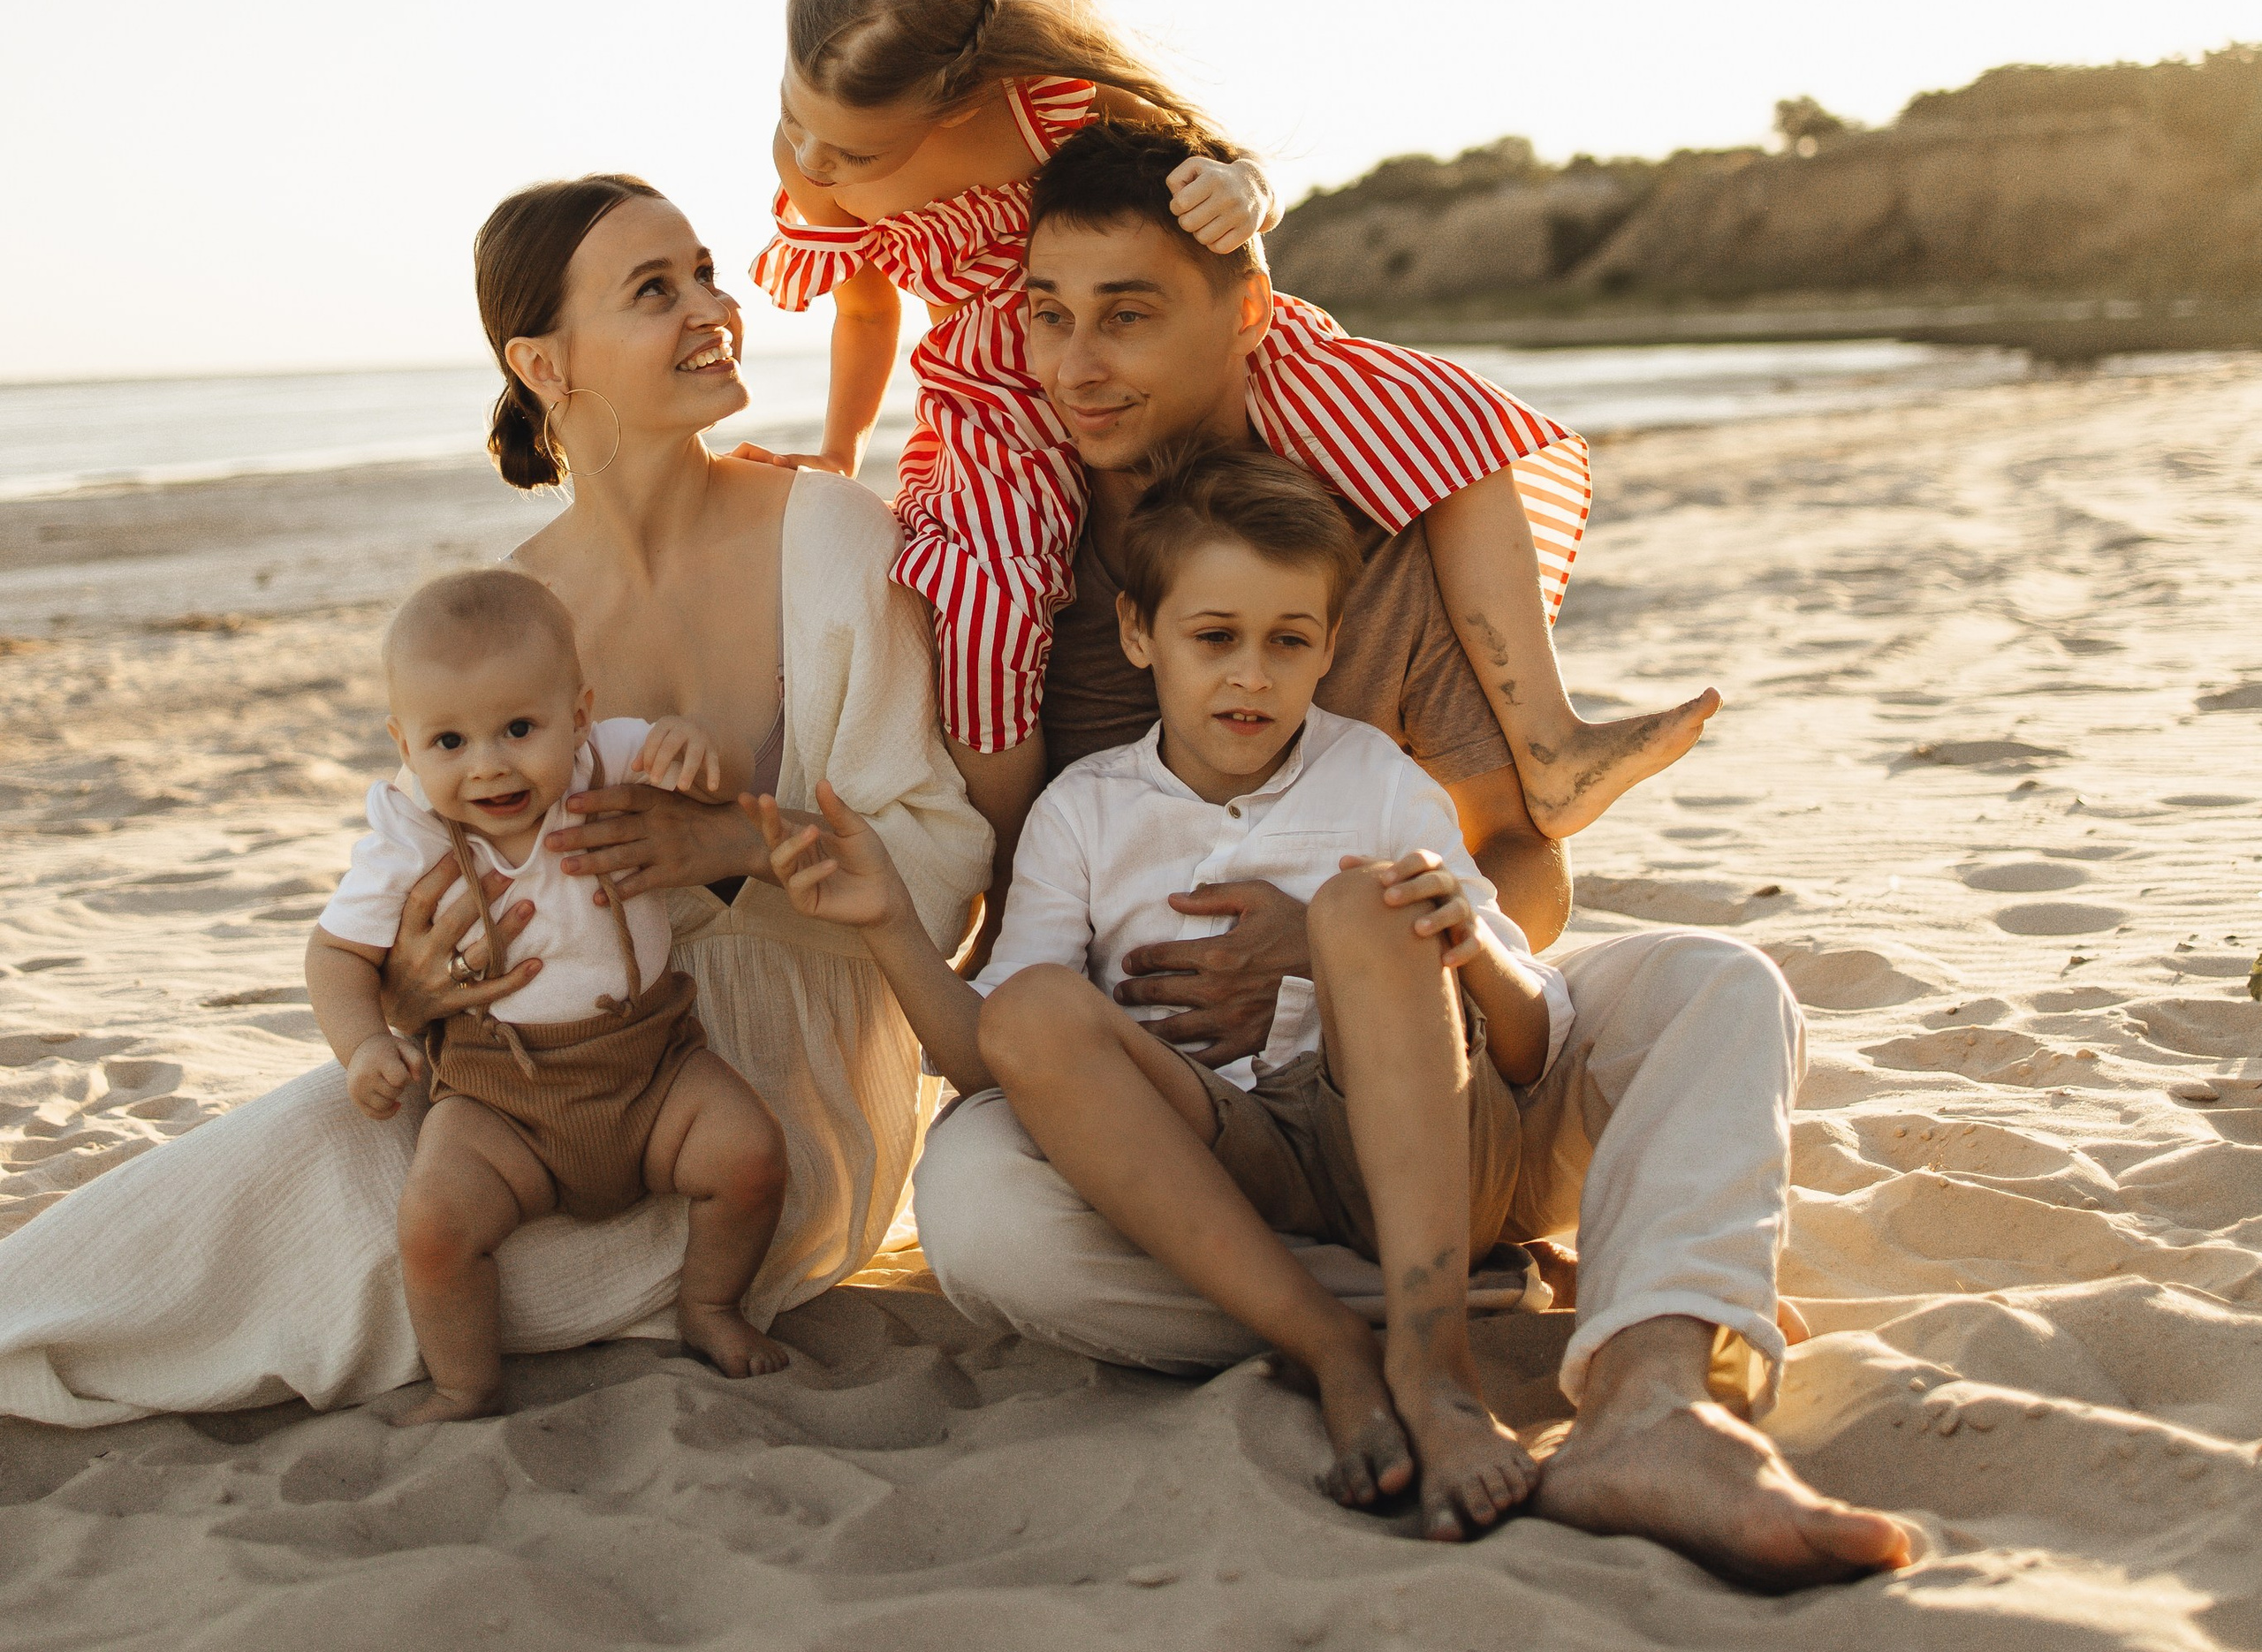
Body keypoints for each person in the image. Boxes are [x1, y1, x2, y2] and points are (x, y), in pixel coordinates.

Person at [911, 120, 1913, 1590]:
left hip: (1447, 1072)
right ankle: (1445, 1303)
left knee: (1720, 987)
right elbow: (1021, 963)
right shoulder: (1016, 575)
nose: (1077, 366)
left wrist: (1335, 936)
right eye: (1049, 320)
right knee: (978, 1217)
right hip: (1211, 1132)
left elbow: (1517, 871)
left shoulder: (1377, 541)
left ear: (1246, 316)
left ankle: (1651, 1399)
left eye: (1128, 315)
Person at [0, 175, 990, 1428]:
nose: (714, 308)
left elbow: (942, 877)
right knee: (290, 1161)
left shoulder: (836, 535)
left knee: (363, 1269)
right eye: (656, 290)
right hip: (519, 1069)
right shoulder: (511, 610)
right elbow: (429, 890)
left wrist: (731, 845)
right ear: (544, 363)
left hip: (770, 1100)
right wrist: (413, 988)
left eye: (704, 272)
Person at [750, 0, 1716, 881]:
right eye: (793, 114)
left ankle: (1549, 739)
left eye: (855, 151)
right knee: (989, 605)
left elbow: (1218, 165)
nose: (811, 160)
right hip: (994, 395)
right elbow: (864, 310)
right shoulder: (816, 163)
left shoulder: (1047, 102)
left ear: (959, 97)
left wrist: (1245, 193)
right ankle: (999, 882)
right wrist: (840, 448)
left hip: (1136, 329)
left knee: (1447, 420)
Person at [758, 444, 1572, 1539]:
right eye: (1214, 638)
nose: (1252, 676)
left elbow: (1529, 1046)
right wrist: (890, 925)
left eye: (1289, 642)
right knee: (1034, 1008)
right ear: (1141, 634)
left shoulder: (1377, 779)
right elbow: (991, 1056)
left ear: (1330, 646)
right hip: (1221, 1161)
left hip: (1408, 1143)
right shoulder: (1085, 810)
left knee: (1361, 907)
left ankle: (1436, 1366)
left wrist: (1464, 947)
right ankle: (1330, 1345)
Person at [309, 567, 786, 1418]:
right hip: (501, 1099)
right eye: (448, 743)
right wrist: (365, 1045)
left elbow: (728, 775)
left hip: (653, 1070)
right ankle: (465, 1380)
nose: (488, 766)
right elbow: (337, 951)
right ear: (404, 745)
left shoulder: (609, 759)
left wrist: (701, 748)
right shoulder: (411, 833)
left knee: (750, 1156)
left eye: (519, 729)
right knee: (434, 1226)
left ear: (579, 714)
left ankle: (711, 1305)